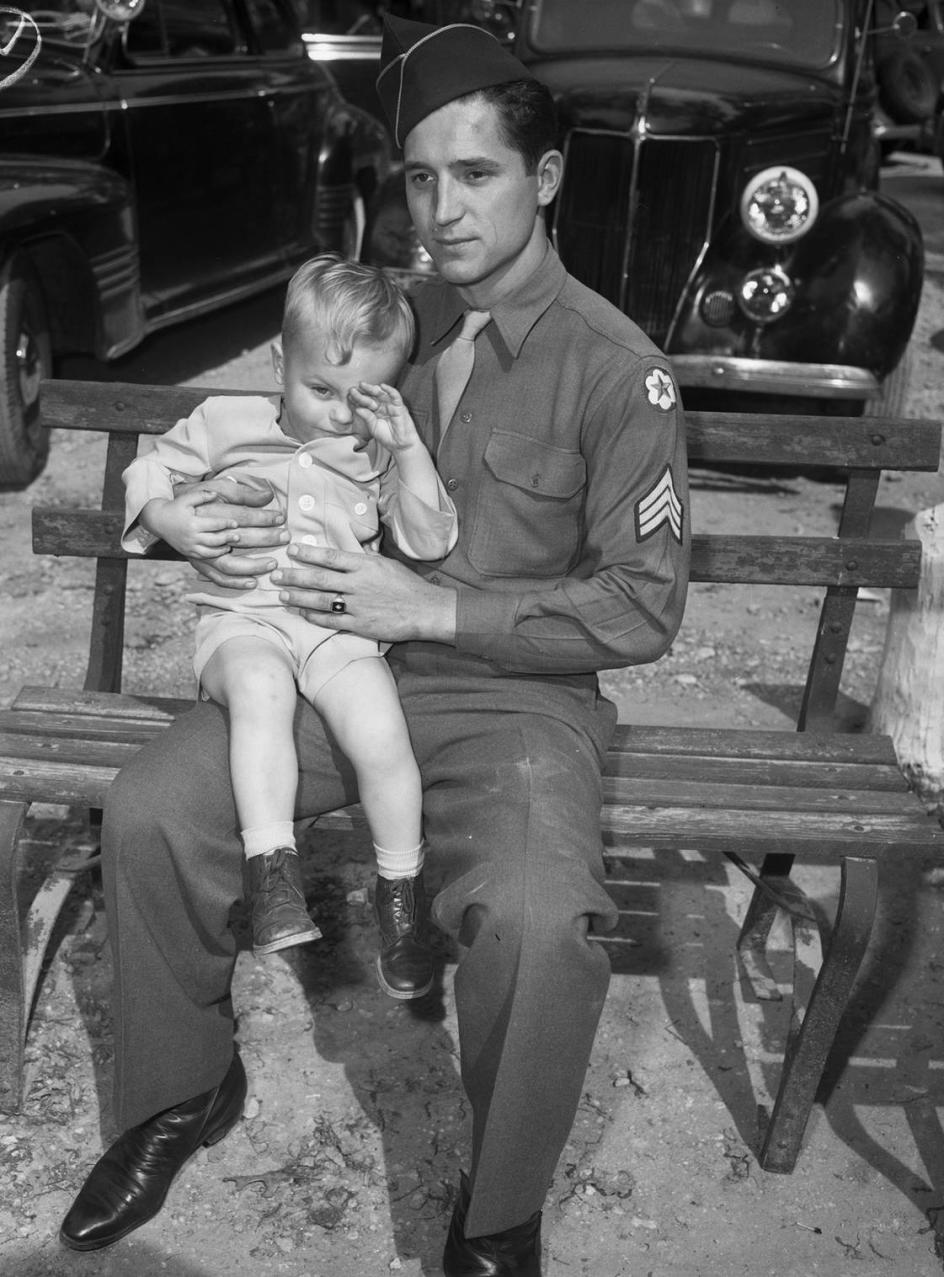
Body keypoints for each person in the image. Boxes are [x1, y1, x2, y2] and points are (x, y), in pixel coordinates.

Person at [59, 15, 691, 1276]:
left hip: (515, 701)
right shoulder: (381, 319)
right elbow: (250, 447)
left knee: (536, 914)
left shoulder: (617, 370)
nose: (440, 210)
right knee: (147, 812)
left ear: (545, 178)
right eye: (419, 177)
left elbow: (644, 605)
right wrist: (201, 523)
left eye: (476, 174)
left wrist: (438, 609)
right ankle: (181, 1089)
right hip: (326, 663)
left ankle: (500, 1211)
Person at [119, 254, 457, 996]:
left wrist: (404, 447)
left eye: (359, 396)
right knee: (262, 690)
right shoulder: (222, 421)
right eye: (320, 389)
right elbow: (149, 468)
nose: (339, 412)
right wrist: (169, 515)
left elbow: (429, 539)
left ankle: (400, 897)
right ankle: (272, 873)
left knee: (380, 727)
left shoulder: (373, 450)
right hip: (242, 624)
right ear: (279, 361)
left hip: (335, 629)